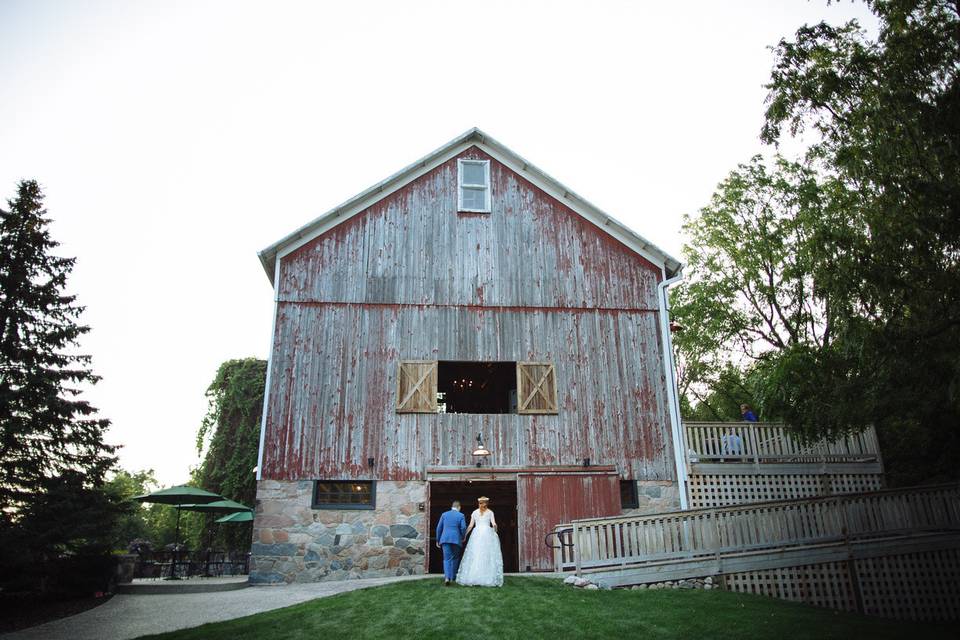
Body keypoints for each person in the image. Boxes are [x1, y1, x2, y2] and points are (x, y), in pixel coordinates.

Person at [456, 496, 504, 587]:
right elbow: (494, 524)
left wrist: (464, 536)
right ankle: (486, 577)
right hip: (487, 533)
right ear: (487, 503)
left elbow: (470, 526)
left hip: (476, 533)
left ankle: (474, 576)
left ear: (479, 503)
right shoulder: (490, 512)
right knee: (486, 554)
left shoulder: (474, 512)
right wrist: (495, 531)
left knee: (476, 554)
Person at [435, 499, 467, 586]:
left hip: (445, 539)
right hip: (456, 539)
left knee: (446, 559)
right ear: (459, 507)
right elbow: (463, 528)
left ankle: (447, 578)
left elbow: (439, 528)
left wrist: (438, 539)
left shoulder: (444, 514)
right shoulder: (461, 515)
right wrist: (463, 536)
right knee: (455, 558)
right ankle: (452, 576)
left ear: (452, 507)